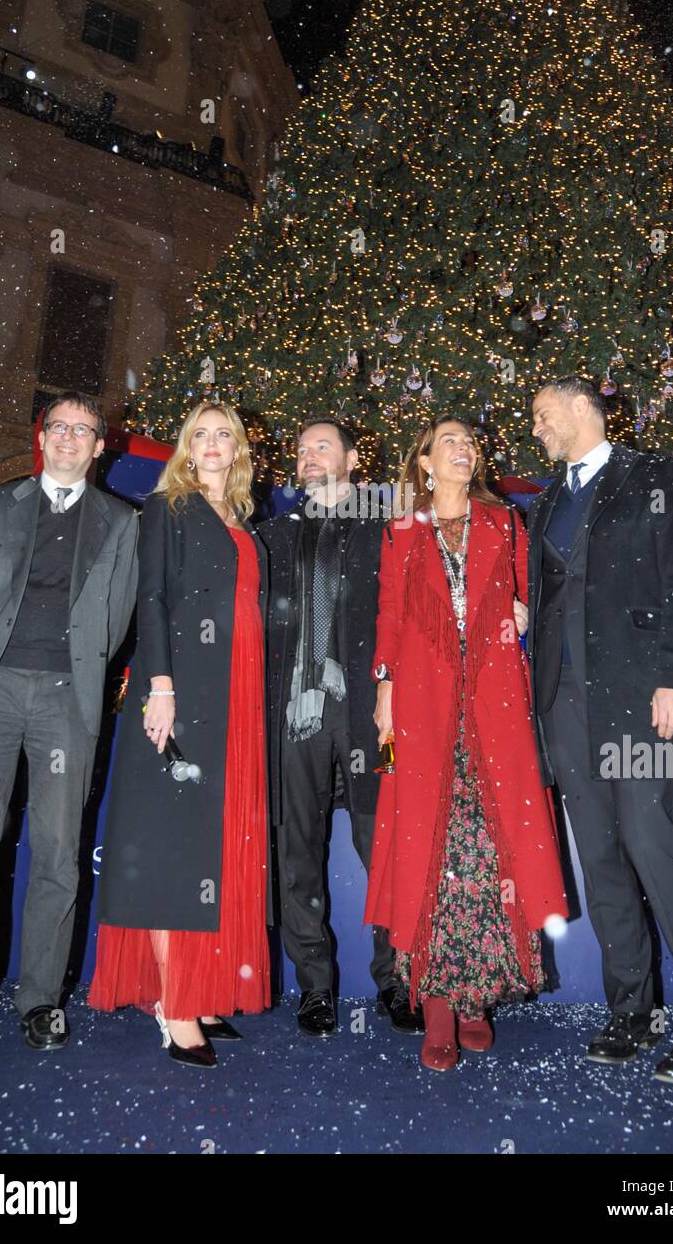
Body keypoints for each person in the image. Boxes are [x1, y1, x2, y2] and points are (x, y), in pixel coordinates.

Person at [528, 375, 673, 1085]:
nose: (537, 431)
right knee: (604, 861)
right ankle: (633, 1010)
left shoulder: (656, 476)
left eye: (543, 415)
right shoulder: (549, 500)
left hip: (639, 703)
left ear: (582, 407)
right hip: (565, 709)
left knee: (656, 848)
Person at [0, 392, 138, 1060]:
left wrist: (78, 676)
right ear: (40, 437)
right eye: (59, 427)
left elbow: (118, 616)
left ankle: (41, 999)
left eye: (84, 429)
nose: (71, 438)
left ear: (101, 446)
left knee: (56, 854)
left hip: (66, 702)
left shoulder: (120, 522)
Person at [366, 416, 568, 1071]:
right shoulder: (401, 531)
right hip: (421, 709)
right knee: (426, 850)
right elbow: (390, 618)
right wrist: (385, 691)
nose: (463, 449)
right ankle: (438, 1008)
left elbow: (533, 600)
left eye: (470, 443)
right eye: (449, 441)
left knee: (486, 854)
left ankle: (477, 997)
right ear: (424, 460)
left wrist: (522, 614)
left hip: (493, 706)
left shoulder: (504, 522)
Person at [89, 402, 270, 1069]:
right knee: (172, 847)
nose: (214, 444)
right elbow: (155, 599)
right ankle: (174, 1004)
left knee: (213, 846)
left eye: (226, 434)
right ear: (188, 448)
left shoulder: (245, 521)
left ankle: (202, 984)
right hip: (183, 692)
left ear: (240, 449)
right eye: (202, 434)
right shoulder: (168, 507)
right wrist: (159, 685)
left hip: (237, 699)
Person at [258, 418, 421, 1038]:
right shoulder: (269, 537)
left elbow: (410, 614)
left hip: (370, 719)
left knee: (384, 848)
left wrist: (395, 688)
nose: (307, 456)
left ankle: (397, 978)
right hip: (293, 718)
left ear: (353, 459)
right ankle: (316, 987)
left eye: (321, 446)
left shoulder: (388, 531)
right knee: (297, 853)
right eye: (300, 450)